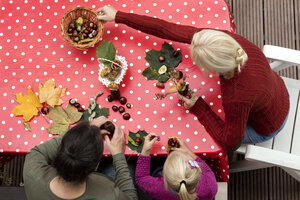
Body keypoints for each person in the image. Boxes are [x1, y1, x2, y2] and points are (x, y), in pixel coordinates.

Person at [97, 5, 290, 153]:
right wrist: (118, 16)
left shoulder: (236, 96)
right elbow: (168, 29)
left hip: (267, 125)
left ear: (215, 68)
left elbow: (230, 142)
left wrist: (198, 106)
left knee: (194, 131)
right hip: (278, 91)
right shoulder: (228, 41)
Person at [23, 116, 138, 200]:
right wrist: (118, 155)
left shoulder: (32, 173)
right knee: (129, 165)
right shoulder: (109, 194)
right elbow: (131, 197)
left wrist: (81, 135)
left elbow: (37, 152)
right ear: (96, 166)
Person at [135, 133, 217, 200]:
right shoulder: (210, 188)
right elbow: (207, 171)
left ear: (165, 180)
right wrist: (189, 152)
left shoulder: (159, 188)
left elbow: (141, 178)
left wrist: (145, 150)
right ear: (199, 169)